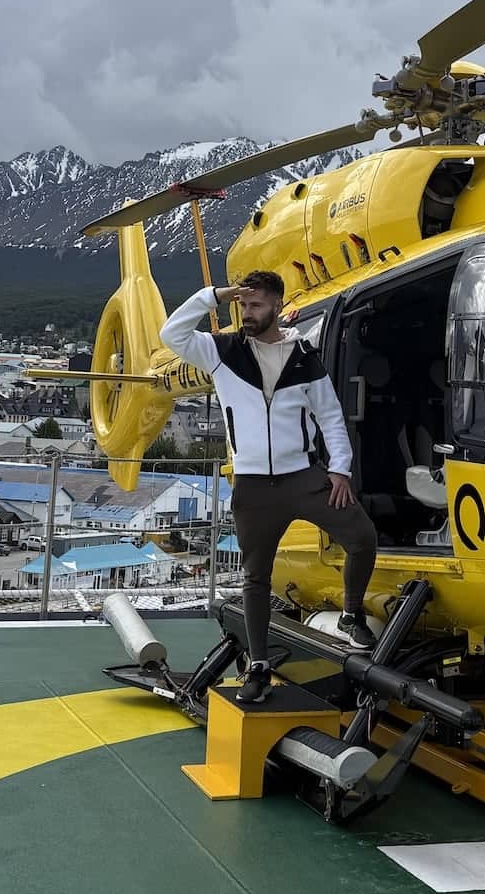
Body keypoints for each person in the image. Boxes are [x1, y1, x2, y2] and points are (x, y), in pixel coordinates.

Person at [160, 270, 378, 704]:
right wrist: (214, 296)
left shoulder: (303, 356)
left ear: (277, 306)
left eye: (255, 304)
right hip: (254, 485)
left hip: (303, 477)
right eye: (242, 304)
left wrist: (340, 470)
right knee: (255, 578)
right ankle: (258, 667)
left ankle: (351, 617)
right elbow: (172, 333)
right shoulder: (222, 352)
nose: (247, 312)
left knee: (362, 538)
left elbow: (331, 417)